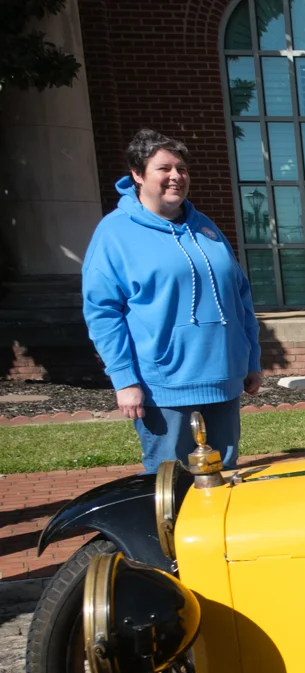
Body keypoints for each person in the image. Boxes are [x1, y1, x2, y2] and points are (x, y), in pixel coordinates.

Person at [83, 129, 262, 473]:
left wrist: (251, 358)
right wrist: (125, 380)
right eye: (164, 168)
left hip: (224, 378)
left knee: (222, 477)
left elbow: (240, 297)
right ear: (137, 174)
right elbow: (103, 313)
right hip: (163, 386)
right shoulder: (115, 233)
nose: (176, 176)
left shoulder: (205, 228)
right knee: (170, 482)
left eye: (181, 168)